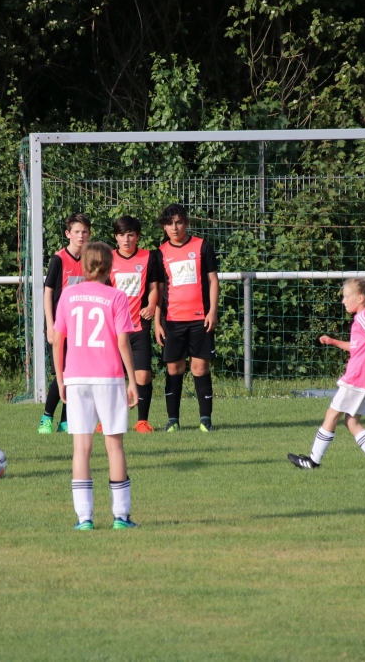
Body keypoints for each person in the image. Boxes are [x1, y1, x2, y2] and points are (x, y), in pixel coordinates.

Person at [52, 241, 140, 530]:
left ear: (84, 265)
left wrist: (61, 379)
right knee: (114, 446)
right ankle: (121, 517)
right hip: (108, 377)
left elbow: (58, 341)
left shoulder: (68, 294)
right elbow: (123, 342)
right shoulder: (117, 296)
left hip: (76, 377)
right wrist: (132, 380)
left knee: (82, 448)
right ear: (110, 266)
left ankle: (84, 519)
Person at [288, 279, 365, 470]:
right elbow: (357, 347)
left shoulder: (363, 317)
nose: (343, 301)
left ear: (360, 298)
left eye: (346, 297)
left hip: (358, 378)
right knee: (352, 422)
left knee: (332, 414)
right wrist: (333, 341)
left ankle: (312, 461)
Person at [155, 203, 219, 432]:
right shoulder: (160, 253)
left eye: (179, 222)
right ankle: (173, 421)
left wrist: (212, 311)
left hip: (200, 318)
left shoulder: (202, 246)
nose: (175, 227)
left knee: (200, 368)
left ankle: (205, 420)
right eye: (169, 223)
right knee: (174, 369)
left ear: (187, 223)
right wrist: (157, 322)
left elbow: (213, 280)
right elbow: (158, 290)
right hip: (172, 320)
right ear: (164, 227)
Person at [108, 215, 163, 433]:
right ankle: (107, 420)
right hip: (113, 328)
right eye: (122, 235)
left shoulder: (149, 257)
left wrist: (151, 305)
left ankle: (142, 421)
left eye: (130, 235)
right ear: (116, 237)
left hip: (139, 325)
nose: (126, 239)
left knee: (143, 375)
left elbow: (154, 288)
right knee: (111, 376)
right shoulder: (108, 259)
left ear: (137, 236)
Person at [39, 213, 91, 434]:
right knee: (63, 372)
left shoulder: (90, 259)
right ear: (68, 234)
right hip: (60, 325)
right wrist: (50, 325)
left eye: (84, 232)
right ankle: (46, 417)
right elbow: (48, 292)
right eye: (76, 232)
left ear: (89, 234)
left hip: (81, 326)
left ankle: (65, 420)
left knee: (75, 374)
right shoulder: (58, 259)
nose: (81, 236)